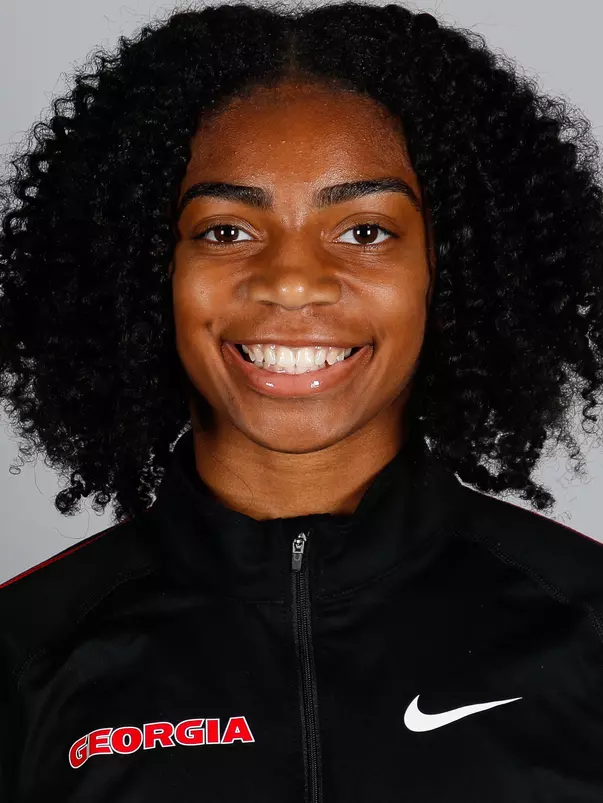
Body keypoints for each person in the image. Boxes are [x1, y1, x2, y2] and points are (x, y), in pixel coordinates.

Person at [1, 1, 603, 800]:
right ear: (149, 273)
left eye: (363, 231)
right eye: (224, 230)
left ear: (446, 273)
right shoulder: (25, 653)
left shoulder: (585, 629)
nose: (291, 280)